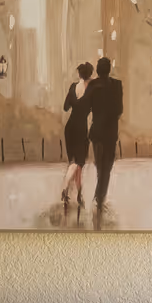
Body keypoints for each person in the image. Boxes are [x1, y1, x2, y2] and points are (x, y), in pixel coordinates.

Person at [85, 57, 124, 206]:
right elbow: (119, 110)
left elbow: (87, 106)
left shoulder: (93, 85)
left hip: (97, 132)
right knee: (107, 167)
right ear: (109, 69)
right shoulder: (117, 85)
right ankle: (100, 197)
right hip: (110, 132)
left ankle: (99, 197)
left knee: (100, 166)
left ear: (98, 69)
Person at [61, 62, 94, 205]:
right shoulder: (91, 90)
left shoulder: (73, 87)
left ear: (79, 74)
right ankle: (65, 187)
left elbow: (65, 107)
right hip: (81, 128)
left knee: (76, 163)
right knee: (77, 163)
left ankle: (79, 194)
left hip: (70, 127)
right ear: (90, 75)